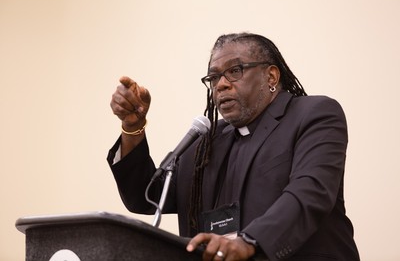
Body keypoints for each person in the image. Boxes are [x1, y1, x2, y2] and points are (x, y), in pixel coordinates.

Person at [108, 32, 360, 261]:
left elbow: (310, 192)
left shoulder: (313, 115)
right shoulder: (204, 144)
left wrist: (251, 241)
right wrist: (133, 126)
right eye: (214, 77)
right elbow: (148, 196)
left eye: (235, 71)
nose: (221, 84)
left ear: (271, 76)